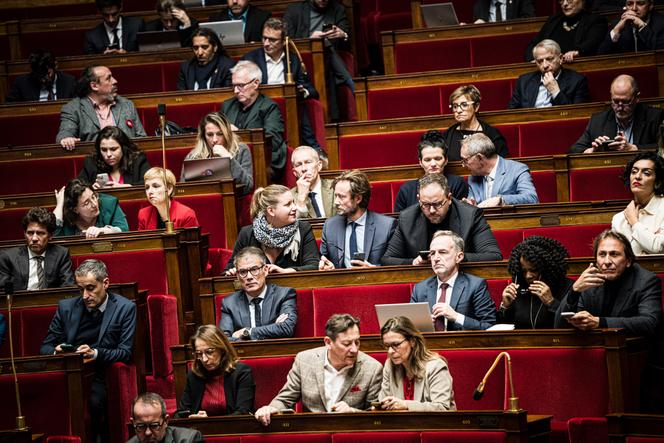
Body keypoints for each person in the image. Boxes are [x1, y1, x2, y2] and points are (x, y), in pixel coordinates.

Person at [41, 259, 136, 443]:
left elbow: (125, 352)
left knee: (95, 402)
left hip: (100, 371)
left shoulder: (124, 308)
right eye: (80, 289)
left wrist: (95, 353)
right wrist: (56, 350)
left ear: (105, 283)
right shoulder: (65, 307)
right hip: (67, 371)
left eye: (91, 288)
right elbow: (45, 347)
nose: (85, 295)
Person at [254, 313, 383, 425]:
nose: (354, 349)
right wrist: (270, 408)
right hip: (312, 431)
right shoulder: (304, 360)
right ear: (328, 342)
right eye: (347, 344)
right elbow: (285, 399)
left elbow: (376, 414)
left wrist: (352, 412)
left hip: (351, 432)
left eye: (357, 342)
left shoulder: (372, 368)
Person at [555, 230, 662, 336]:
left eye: (614, 254)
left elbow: (650, 323)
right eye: (602, 254)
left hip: (632, 348)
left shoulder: (646, 281)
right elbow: (559, 327)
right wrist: (574, 291)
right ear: (596, 261)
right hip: (595, 347)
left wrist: (600, 322)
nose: (607, 262)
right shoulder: (589, 282)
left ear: (628, 261)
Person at [382, 173, 502, 265]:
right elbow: (387, 259)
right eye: (426, 205)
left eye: (438, 204)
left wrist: (455, 257)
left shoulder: (470, 215)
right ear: (419, 199)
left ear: (449, 198)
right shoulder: (407, 217)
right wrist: (414, 262)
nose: (432, 210)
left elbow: (493, 255)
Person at [241, 17, 322, 151]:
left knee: (298, 104)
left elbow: (312, 91)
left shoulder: (293, 60)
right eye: (264, 38)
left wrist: (303, 91)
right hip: (259, 109)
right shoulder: (250, 59)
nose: (266, 43)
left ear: (284, 41)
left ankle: (312, 149)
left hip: (288, 108)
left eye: (272, 40)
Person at [410, 230, 497, 331]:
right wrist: (425, 325)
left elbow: (489, 326)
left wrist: (456, 317)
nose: (436, 258)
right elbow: (408, 328)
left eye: (442, 252)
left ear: (459, 257)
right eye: (432, 253)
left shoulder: (476, 286)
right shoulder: (419, 289)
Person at [224, 185, 320, 274]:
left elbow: (314, 265)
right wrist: (232, 272)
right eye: (288, 204)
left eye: (293, 202)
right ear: (271, 211)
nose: (294, 207)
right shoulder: (247, 234)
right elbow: (229, 269)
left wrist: (286, 272)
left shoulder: (303, 229)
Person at [283, 0, 353, 122]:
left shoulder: (338, 9)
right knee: (324, 45)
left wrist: (343, 35)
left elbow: (348, 39)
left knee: (325, 46)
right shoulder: (294, 11)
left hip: (327, 60)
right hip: (301, 59)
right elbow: (285, 41)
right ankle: (349, 82)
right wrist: (309, 40)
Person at [221, 61, 287, 181]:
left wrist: (239, 133)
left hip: (259, 161)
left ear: (256, 83)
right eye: (233, 86)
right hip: (231, 160)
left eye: (240, 85)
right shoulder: (227, 106)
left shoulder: (269, 107)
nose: (236, 91)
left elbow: (273, 141)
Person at [56, 65, 146, 150]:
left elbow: (142, 138)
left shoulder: (126, 104)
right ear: (94, 86)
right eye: (109, 78)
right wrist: (66, 139)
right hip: (93, 162)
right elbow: (65, 133)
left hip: (127, 160)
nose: (115, 81)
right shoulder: (73, 108)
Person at [319, 169, 396, 269]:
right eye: (336, 196)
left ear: (358, 199)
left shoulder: (387, 226)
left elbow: (395, 266)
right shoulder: (330, 225)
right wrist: (327, 267)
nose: (336, 202)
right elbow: (323, 259)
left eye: (342, 197)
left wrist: (374, 270)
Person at [377, 316, 456, 411]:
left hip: (434, 425)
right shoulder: (390, 365)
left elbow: (442, 408)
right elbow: (383, 402)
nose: (390, 351)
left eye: (396, 345)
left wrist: (406, 405)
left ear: (412, 342)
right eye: (387, 346)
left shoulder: (436, 366)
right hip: (401, 425)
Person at [175, 325, 255, 417]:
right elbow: (181, 413)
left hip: (234, 430)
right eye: (199, 354)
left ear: (222, 349)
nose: (204, 359)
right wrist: (191, 417)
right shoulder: (194, 375)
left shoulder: (241, 372)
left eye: (209, 352)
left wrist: (208, 421)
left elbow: (243, 413)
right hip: (198, 430)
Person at [570, 75, 664, 153]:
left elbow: (661, 149)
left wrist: (633, 148)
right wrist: (592, 151)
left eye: (625, 102)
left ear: (637, 98)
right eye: (615, 101)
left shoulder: (655, 117)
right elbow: (574, 150)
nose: (620, 107)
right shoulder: (597, 121)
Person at [220, 247, 297, 340]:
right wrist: (273, 329)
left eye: (254, 269)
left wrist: (247, 332)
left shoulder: (283, 295)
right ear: (237, 275)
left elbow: (286, 328)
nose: (249, 277)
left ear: (265, 270)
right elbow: (224, 340)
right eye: (243, 272)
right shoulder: (229, 303)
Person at [497, 236, 573, 329]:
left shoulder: (568, 288)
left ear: (548, 267)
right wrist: (505, 307)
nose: (528, 276)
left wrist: (551, 303)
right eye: (524, 271)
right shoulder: (518, 289)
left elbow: (572, 325)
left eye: (534, 270)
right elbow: (504, 328)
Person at [0, 207, 74, 291]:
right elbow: (3, 293)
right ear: (24, 233)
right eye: (30, 233)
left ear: (50, 235)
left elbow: (68, 287)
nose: (34, 238)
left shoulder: (61, 254)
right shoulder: (8, 257)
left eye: (40, 233)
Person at [394, 130, 468, 211]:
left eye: (438, 158)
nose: (433, 164)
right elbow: (400, 220)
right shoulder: (407, 190)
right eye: (427, 160)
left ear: (446, 160)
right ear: (420, 162)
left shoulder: (457, 184)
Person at [182, 112, 253, 194]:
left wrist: (229, 158)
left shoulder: (241, 150)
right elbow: (184, 191)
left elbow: (248, 187)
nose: (215, 139)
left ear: (227, 134)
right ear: (203, 136)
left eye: (220, 134)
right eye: (210, 135)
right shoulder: (193, 156)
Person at [460, 133, 539, 207]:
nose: (463, 165)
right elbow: (474, 204)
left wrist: (501, 200)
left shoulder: (517, 169)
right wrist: (470, 205)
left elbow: (532, 198)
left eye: (465, 160)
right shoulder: (473, 178)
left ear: (479, 157)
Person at [508, 39, 589, 109]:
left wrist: (555, 91)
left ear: (560, 58)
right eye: (540, 61)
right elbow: (512, 114)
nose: (545, 65)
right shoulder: (523, 81)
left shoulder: (577, 81)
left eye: (549, 59)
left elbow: (576, 115)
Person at [612, 151, 664, 254]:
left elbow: (659, 247)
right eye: (634, 171)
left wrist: (634, 222)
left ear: (658, 181)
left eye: (646, 173)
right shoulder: (619, 219)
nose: (637, 176)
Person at [524, 0, 606, 63]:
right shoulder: (554, 19)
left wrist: (577, 52)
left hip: (574, 69)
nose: (565, 4)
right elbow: (535, 43)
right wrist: (533, 59)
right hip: (546, 67)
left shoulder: (595, 20)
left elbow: (592, 42)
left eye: (569, 0)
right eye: (561, 0)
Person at [442, 85, 509, 161]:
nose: (458, 110)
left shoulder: (492, 134)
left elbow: (501, 164)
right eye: (455, 106)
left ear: (476, 107)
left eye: (464, 105)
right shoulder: (448, 135)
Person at [78, 126, 151, 189]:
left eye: (113, 149)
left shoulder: (138, 160)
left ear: (123, 148)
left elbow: (151, 183)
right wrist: (90, 189)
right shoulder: (91, 163)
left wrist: (128, 187)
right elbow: (77, 187)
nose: (108, 154)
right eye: (104, 150)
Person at [53, 178, 129, 238]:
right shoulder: (65, 215)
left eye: (93, 197)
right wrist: (59, 205)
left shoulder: (109, 203)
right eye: (87, 203)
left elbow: (124, 230)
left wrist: (103, 230)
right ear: (75, 209)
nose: (94, 204)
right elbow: (53, 235)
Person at [6, 49, 76, 102]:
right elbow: (11, 109)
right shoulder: (22, 83)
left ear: (56, 65)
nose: (43, 80)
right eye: (39, 76)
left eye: (47, 74)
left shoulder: (69, 82)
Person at [129, 392, 203, 443]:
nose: (148, 433)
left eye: (154, 425)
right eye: (141, 426)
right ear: (133, 423)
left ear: (166, 421)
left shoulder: (190, 440)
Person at [597, 0, 664, 54]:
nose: (634, 8)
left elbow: (660, 53)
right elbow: (602, 53)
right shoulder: (618, 23)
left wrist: (642, 26)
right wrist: (616, 30)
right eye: (630, 3)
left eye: (640, 3)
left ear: (651, 5)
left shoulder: (661, 23)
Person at [290, 145, 334, 218]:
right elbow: (295, 226)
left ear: (319, 166)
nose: (304, 169)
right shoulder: (290, 196)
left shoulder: (334, 187)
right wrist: (301, 198)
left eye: (308, 162)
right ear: (294, 172)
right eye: (299, 164)